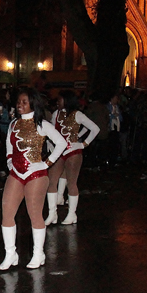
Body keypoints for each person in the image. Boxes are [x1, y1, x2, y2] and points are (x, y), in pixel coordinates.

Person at [0, 88, 67, 270]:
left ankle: (38, 254)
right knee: (7, 213)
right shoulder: (13, 124)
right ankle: (10, 254)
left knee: (34, 214)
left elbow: (61, 143)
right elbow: (9, 145)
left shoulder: (42, 124)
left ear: (33, 104)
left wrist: (47, 163)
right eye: (18, 102)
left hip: (36, 174)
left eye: (24, 102)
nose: (20, 105)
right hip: (16, 173)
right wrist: (10, 161)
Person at [45, 90, 100, 226]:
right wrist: (49, 144)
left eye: (60, 99)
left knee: (72, 183)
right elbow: (52, 132)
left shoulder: (77, 114)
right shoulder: (56, 114)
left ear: (67, 100)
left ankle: (72, 214)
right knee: (51, 181)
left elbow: (95, 128)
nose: (57, 102)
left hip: (73, 153)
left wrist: (82, 144)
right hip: (59, 152)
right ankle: (52, 214)